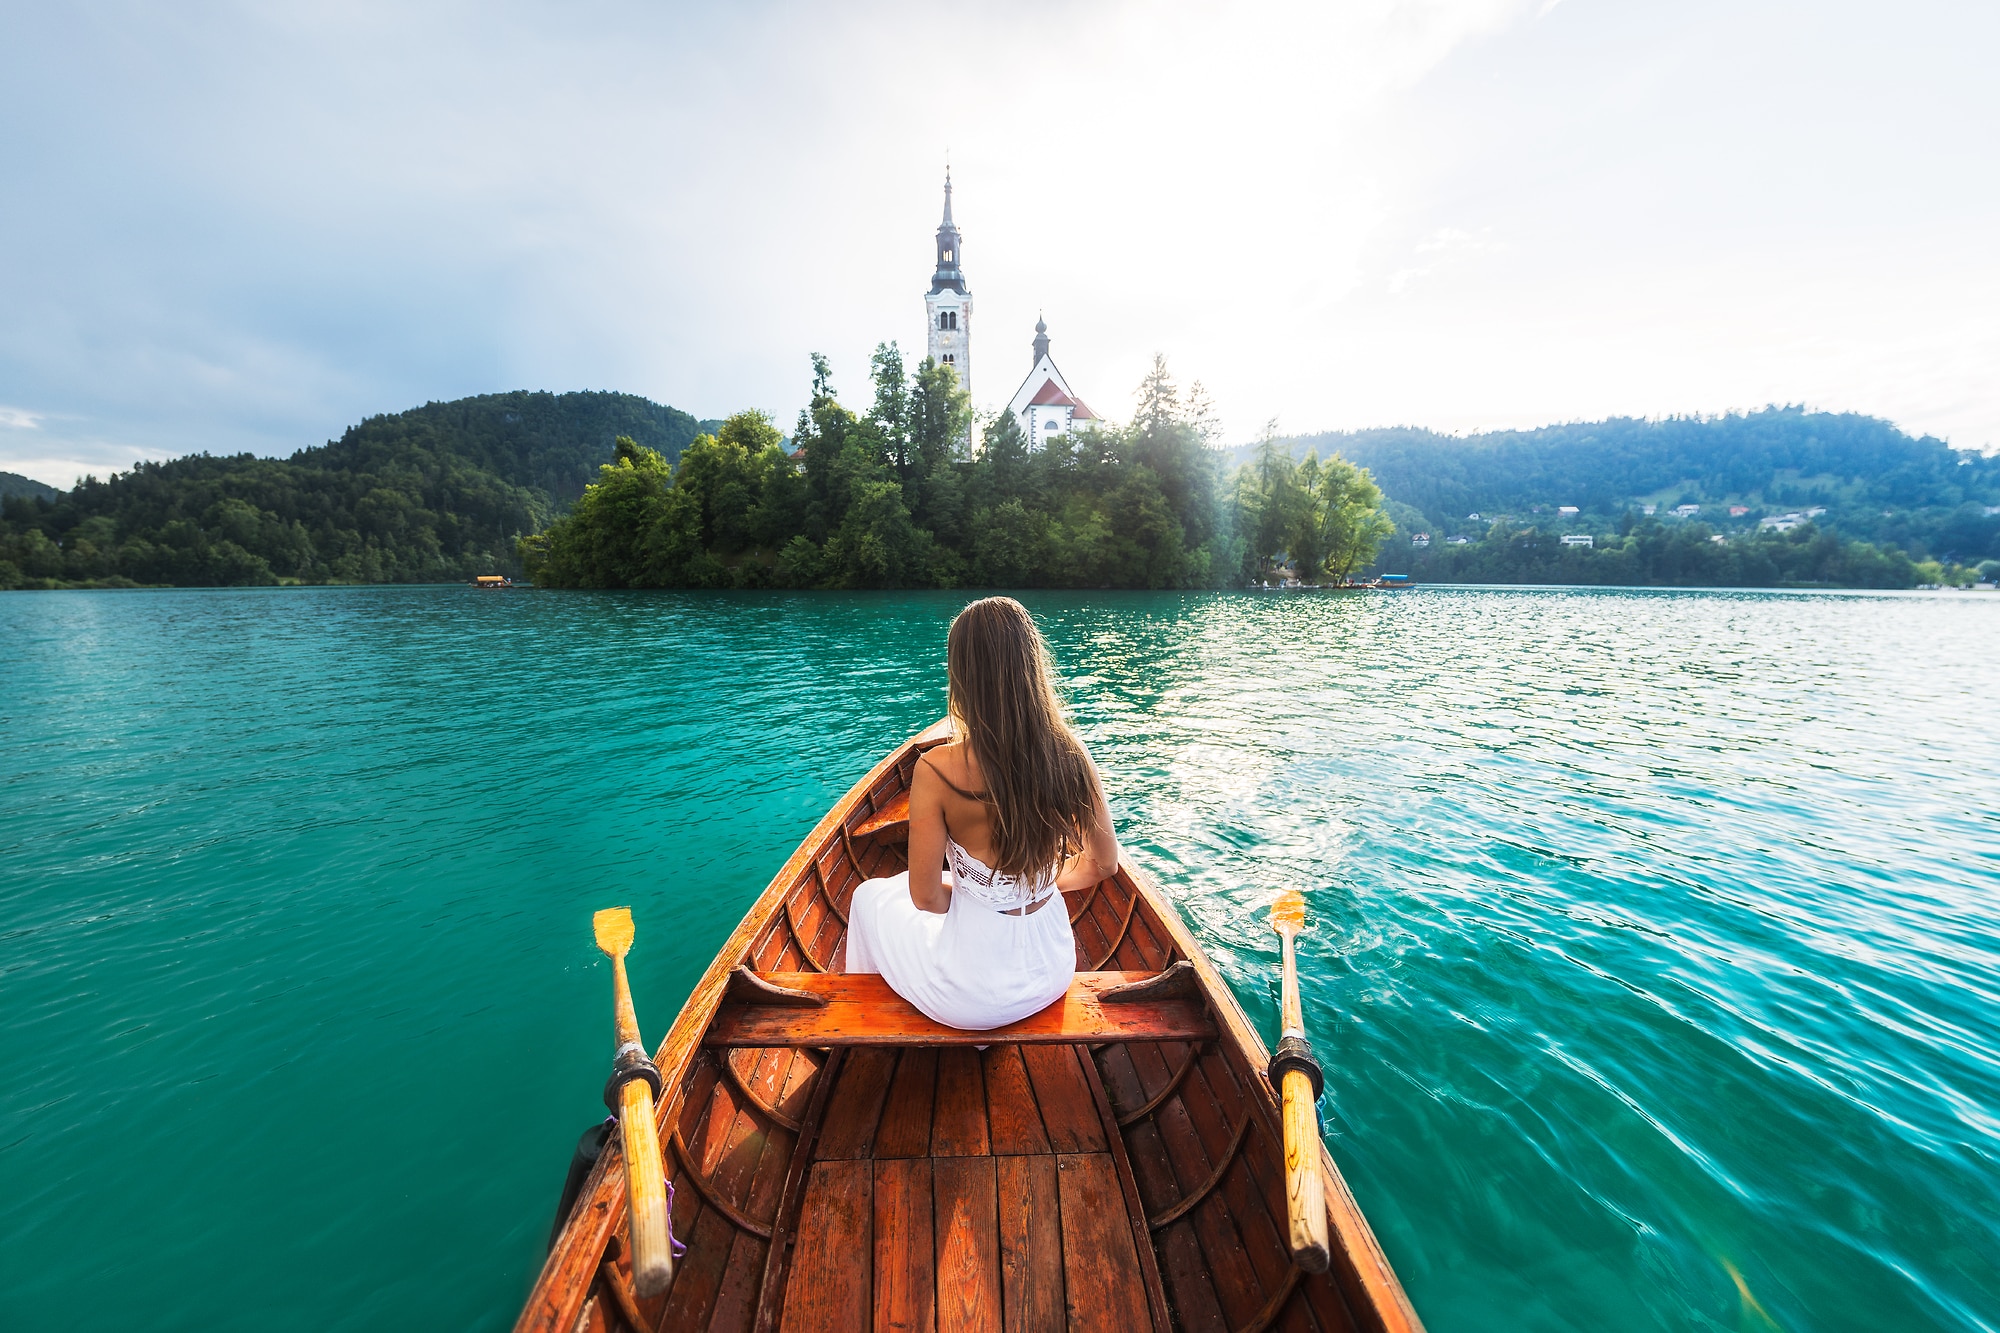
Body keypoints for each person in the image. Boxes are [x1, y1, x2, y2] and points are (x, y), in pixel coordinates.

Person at [844, 597, 1120, 1030]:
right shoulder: (1072, 755)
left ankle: (861, 1019)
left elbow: (926, 898)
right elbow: (1104, 864)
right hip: (1053, 970)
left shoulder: (936, 771)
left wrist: (980, 895)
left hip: (973, 997)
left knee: (867, 898)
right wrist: (1024, 889)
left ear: (961, 676)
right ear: (1032, 666)